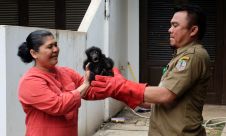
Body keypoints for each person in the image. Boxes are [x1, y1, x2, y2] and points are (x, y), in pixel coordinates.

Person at [85, 4, 210, 136]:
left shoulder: (193, 56)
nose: (169, 30)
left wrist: (121, 85)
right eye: (171, 25)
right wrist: (116, 90)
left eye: (175, 25)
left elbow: (165, 94)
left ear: (193, 30)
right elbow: (155, 101)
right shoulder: (180, 56)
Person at [17, 30, 91, 136]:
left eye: (56, 45)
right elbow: (58, 105)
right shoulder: (29, 81)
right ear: (34, 53)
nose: (56, 49)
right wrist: (86, 85)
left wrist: (99, 76)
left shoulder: (67, 72)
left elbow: (91, 91)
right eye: (50, 47)